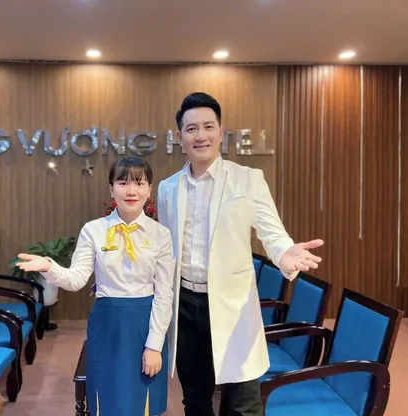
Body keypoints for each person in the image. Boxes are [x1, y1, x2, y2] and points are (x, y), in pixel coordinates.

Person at [157, 92, 324, 416]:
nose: (201, 135)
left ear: (221, 132)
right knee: (195, 398)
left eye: (208, 126)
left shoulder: (248, 179)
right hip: (185, 304)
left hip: (232, 304)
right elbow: (166, 248)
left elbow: (272, 232)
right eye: (191, 129)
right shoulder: (167, 188)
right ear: (180, 137)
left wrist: (284, 252)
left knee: (243, 402)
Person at [16, 157, 175, 416]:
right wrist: (49, 267)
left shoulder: (161, 235)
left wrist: (154, 345)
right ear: (111, 189)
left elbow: (165, 294)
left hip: (145, 325)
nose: (131, 191)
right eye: (122, 183)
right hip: (107, 325)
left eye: (139, 183)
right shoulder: (93, 231)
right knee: (108, 400)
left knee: (142, 402)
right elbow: (77, 279)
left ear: (149, 189)